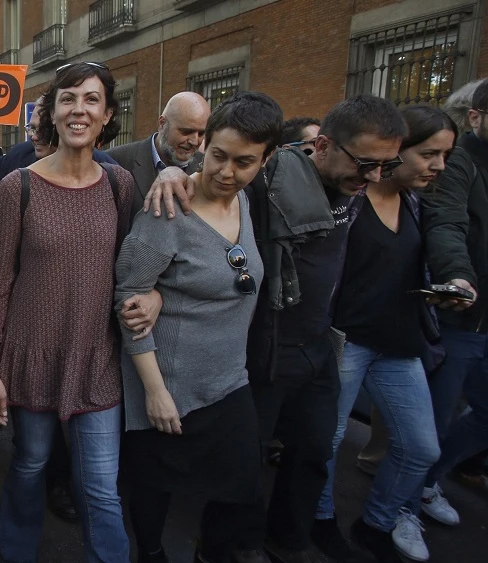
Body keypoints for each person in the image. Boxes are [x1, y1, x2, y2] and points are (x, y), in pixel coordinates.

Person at [148, 95, 408, 563]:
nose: (372, 176)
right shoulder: (268, 182)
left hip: (319, 345)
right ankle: (227, 547)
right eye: (365, 163)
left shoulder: (361, 193)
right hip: (263, 347)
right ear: (323, 145)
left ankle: (291, 537)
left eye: (384, 167)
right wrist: (173, 171)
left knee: (315, 447)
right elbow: (220, 184)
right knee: (242, 464)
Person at [117, 90, 281, 563]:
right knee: (154, 491)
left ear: (266, 159)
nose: (227, 172)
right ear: (205, 144)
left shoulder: (247, 200)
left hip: (228, 379)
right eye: (219, 156)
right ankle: (150, 555)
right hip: (168, 385)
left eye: (245, 162)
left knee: (242, 485)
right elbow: (127, 297)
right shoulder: (168, 208)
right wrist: (154, 390)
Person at [0, 61, 133, 563]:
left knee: (101, 487)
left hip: (97, 356)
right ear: (51, 110)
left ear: (107, 114)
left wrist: (149, 297)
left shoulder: (120, 185)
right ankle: (16, 550)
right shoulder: (17, 186)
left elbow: (134, 270)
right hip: (30, 356)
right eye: (68, 98)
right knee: (30, 464)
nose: (79, 109)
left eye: (91, 99)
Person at [315, 105, 457, 563]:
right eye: (429, 154)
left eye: (445, 156)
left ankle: (378, 521)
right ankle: (319, 521)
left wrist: (451, 285)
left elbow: (443, 248)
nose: (437, 166)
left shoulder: (419, 204)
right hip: (347, 342)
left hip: (399, 345)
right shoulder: (348, 197)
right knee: (328, 441)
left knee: (421, 447)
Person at [419, 78, 488, 529]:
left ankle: (428, 481)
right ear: (477, 118)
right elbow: (446, 225)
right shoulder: (458, 166)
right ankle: (406, 502)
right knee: (432, 425)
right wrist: (456, 276)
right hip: (463, 319)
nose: (435, 163)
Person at [107, 91, 210, 215]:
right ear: (162, 124)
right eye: (186, 131)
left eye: (201, 133)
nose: (194, 141)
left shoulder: (206, 168)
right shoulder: (116, 161)